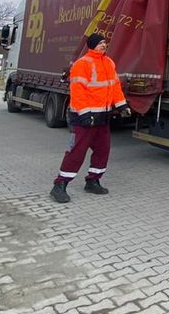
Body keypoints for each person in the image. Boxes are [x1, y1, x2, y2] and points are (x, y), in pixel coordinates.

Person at [50, 33, 128, 203]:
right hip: (84, 117)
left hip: (102, 116)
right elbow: (78, 92)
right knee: (77, 151)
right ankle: (60, 185)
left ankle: (93, 181)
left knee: (103, 150)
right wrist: (85, 113)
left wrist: (122, 105)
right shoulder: (82, 64)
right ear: (92, 45)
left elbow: (115, 87)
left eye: (105, 43)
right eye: (100, 43)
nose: (103, 45)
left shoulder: (109, 63)